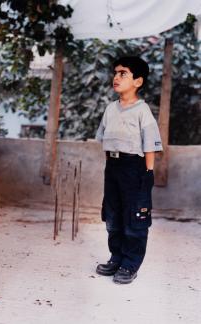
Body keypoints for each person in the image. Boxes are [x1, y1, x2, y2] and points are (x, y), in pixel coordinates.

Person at [95, 56, 163, 284]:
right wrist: (110, 166)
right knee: (113, 215)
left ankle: (130, 264)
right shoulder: (110, 109)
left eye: (123, 73)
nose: (116, 77)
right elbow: (103, 138)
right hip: (113, 167)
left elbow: (150, 146)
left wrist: (148, 175)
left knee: (135, 216)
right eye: (115, 73)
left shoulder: (142, 111)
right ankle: (116, 257)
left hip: (135, 168)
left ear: (138, 81)